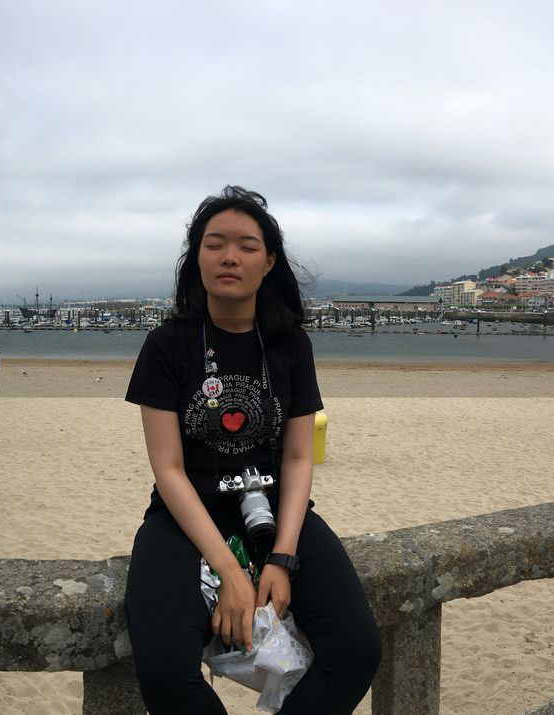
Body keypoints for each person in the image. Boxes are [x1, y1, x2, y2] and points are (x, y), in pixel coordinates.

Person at [123, 186, 380, 713]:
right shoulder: (167, 344)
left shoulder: (291, 345)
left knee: (356, 650)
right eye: (214, 244)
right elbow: (168, 468)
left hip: (274, 512)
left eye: (246, 245)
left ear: (269, 262)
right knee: (166, 672)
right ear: (196, 258)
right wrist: (232, 573)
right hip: (186, 515)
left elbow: (298, 457)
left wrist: (282, 557)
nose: (230, 256)